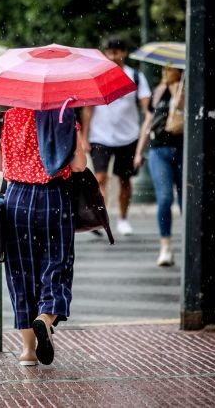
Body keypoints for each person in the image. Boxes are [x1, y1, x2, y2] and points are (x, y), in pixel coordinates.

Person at [0, 106, 87, 366]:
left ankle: (28, 351)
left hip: (16, 199)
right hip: (54, 197)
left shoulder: (2, 118)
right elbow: (79, 165)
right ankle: (45, 317)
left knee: (20, 273)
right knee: (57, 264)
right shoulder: (62, 116)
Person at [80, 37, 151, 236]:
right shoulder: (98, 76)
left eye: (116, 52)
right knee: (100, 177)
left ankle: (123, 218)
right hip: (100, 135)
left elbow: (146, 105)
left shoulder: (135, 76)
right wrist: (85, 137)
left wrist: (148, 118)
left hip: (128, 137)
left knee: (124, 180)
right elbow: (88, 109)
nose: (113, 56)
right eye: (109, 52)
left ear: (123, 53)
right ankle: (102, 218)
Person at [134, 66, 184, 267]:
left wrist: (181, 98)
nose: (168, 72)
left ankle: (190, 243)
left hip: (182, 149)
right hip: (158, 150)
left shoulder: (186, 90)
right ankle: (165, 246)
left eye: (172, 69)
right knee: (164, 198)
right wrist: (139, 151)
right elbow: (148, 121)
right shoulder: (158, 91)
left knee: (185, 200)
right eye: (165, 68)